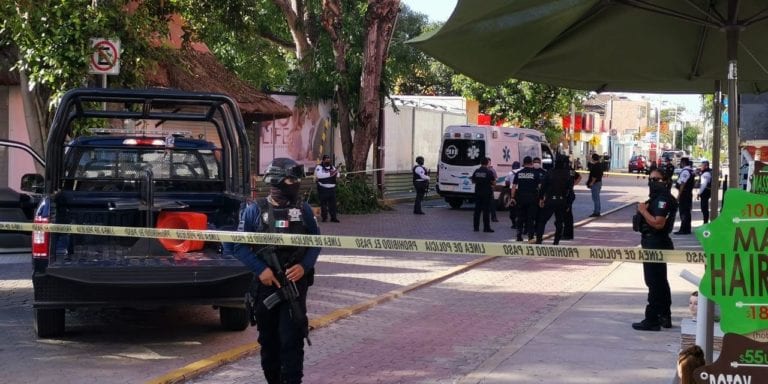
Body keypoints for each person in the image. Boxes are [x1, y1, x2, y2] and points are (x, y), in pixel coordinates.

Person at [233, 157, 321, 384]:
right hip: (265, 286)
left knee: (292, 340)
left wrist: (304, 266)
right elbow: (237, 246)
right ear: (277, 181)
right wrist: (261, 269)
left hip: (294, 285)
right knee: (269, 342)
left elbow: (316, 241)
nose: (295, 184)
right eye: (291, 179)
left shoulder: (303, 210)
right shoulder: (254, 211)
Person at [632, 168, 677, 331]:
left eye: (657, 180)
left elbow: (658, 223)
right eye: (650, 179)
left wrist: (643, 211)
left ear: (665, 181)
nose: (653, 183)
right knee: (660, 281)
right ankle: (664, 316)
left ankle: (652, 319)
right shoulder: (657, 197)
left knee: (654, 282)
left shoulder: (663, 199)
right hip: (653, 242)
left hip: (656, 243)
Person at [535, 155, 574, 245]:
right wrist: (568, 204)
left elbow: (543, 187)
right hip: (561, 201)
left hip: (550, 200)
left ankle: (539, 240)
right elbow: (570, 191)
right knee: (559, 222)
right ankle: (556, 241)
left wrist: (541, 198)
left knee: (542, 221)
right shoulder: (567, 174)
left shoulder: (550, 172)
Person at [511, 156, 542, 242]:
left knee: (520, 218)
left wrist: (512, 197)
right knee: (530, 218)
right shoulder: (535, 174)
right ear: (531, 163)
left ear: (524, 163)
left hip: (521, 199)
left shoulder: (518, 173)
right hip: (532, 199)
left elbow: (514, 187)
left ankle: (519, 235)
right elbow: (540, 187)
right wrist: (541, 198)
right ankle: (530, 237)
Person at [471, 157, 495, 232]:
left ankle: (476, 228)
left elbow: (473, 181)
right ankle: (486, 228)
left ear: (481, 163)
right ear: (487, 163)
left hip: (478, 193)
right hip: (486, 194)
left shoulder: (476, 171)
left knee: (477, 211)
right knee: (486, 211)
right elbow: (494, 182)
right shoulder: (489, 172)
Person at [561, 157, 582, 240]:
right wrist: (573, 185)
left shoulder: (562, 170)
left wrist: (572, 185)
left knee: (565, 216)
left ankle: (566, 234)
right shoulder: (571, 170)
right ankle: (568, 234)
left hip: (565, 195)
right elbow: (579, 177)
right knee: (568, 215)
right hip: (570, 194)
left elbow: (579, 177)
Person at [315, 154, 339, 223]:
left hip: (332, 189)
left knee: (333, 204)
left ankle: (333, 218)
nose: (328, 160)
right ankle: (324, 218)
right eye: (326, 159)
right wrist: (330, 174)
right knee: (323, 204)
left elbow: (338, 174)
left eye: (328, 159)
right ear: (323, 160)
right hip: (323, 188)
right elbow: (319, 175)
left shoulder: (332, 167)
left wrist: (336, 173)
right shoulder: (319, 167)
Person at [674, 157, 695, 234]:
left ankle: (683, 229)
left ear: (683, 162)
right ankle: (687, 229)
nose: (680, 164)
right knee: (687, 211)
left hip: (684, 194)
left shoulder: (686, 172)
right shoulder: (691, 171)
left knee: (683, 212)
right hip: (688, 193)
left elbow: (682, 184)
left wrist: (678, 196)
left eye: (681, 162)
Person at [505, 161, 522, 230]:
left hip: (512, 191)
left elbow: (507, 183)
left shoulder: (510, 173)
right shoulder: (522, 172)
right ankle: (520, 222)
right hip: (520, 191)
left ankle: (514, 224)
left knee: (512, 207)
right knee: (520, 207)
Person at [586, 153, 604, 217]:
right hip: (599, 183)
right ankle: (597, 211)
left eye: (591, 158)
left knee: (595, 198)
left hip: (595, 184)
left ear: (593, 158)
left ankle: (596, 212)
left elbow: (594, 176)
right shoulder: (599, 165)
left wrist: (591, 183)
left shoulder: (596, 166)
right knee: (597, 198)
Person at [487, 158, 499, 222]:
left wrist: (493, 186)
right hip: (485, 189)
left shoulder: (492, 170)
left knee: (492, 204)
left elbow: (495, 179)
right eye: (488, 162)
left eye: (489, 162)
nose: (489, 163)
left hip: (490, 189)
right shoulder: (485, 170)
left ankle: (493, 217)